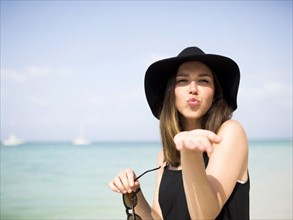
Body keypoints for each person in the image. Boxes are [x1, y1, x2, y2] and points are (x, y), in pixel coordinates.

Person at [108, 46, 249, 220]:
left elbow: (204, 216)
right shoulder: (165, 156)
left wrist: (190, 152)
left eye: (203, 80)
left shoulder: (229, 133)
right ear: (171, 93)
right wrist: (133, 192)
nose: (193, 88)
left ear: (215, 93)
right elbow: (159, 217)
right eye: (182, 80)